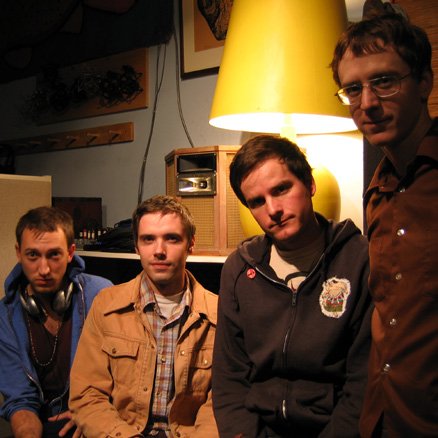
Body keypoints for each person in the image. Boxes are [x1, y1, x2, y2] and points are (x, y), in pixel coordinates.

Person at [212, 135, 372, 437]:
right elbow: (229, 378)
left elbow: (363, 381)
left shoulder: (359, 259)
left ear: (310, 184)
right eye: (257, 202)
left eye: (281, 189)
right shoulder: (239, 268)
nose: (273, 209)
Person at [331, 12, 438, 437]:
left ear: (424, 82)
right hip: (382, 417)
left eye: (385, 82)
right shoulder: (378, 189)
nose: (368, 103)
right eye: (353, 89)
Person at [69, 195, 218, 437]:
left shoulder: (218, 314)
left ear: (190, 244)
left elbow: (221, 402)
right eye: (148, 239)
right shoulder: (106, 306)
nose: (159, 251)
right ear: (136, 246)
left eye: (172, 238)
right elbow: (87, 394)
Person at [0, 206, 112, 438]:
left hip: (98, 416)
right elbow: (20, 399)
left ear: (70, 253)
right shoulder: (5, 316)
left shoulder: (101, 295)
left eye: (54, 255)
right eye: (33, 255)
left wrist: (93, 413)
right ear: (19, 253)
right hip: (41, 423)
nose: (44, 269)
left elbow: (125, 376)